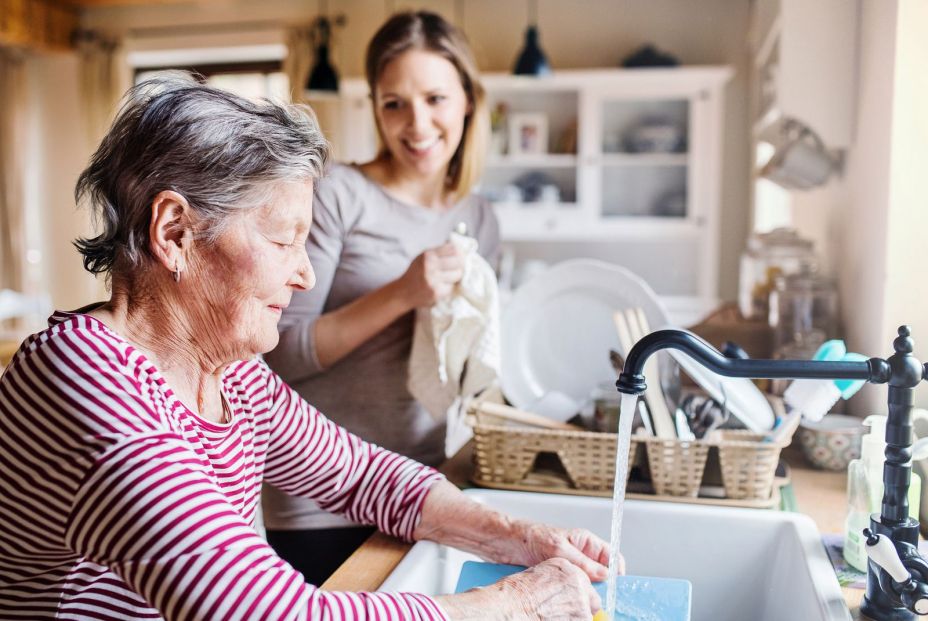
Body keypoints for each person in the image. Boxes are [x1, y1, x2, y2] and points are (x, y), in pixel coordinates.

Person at [0, 74, 619, 620]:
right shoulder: (84, 378)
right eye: (282, 240)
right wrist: (514, 607)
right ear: (176, 232)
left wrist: (520, 537)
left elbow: (366, 477)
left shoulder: (233, 373)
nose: (306, 275)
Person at [262, 10, 501, 583]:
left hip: (424, 482)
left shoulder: (478, 216)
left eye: (436, 99)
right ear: (374, 108)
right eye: (394, 102)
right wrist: (402, 293)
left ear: (468, 101)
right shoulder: (338, 195)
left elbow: (471, 351)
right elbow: (278, 354)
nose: (416, 124)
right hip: (319, 497)